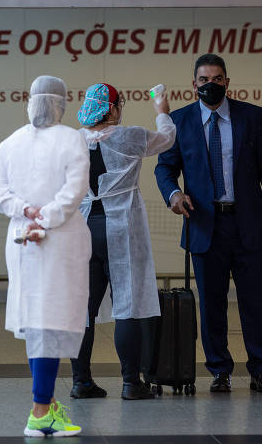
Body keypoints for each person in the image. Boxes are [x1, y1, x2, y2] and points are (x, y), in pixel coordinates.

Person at [155, 54, 262, 394]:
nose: (209, 84)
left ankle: (261, 369)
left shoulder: (251, 116)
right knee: (211, 304)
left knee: (254, 301)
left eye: (216, 78)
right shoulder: (180, 121)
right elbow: (164, 168)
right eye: (203, 79)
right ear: (194, 85)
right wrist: (173, 195)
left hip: (249, 225)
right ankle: (219, 370)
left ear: (227, 81)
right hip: (203, 224)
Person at [0, 75, 90, 437]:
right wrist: (43, 221)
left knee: (36, 322)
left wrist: (27, 212)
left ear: (29, 101)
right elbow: (74, 192)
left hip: (22, 241)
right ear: (63, 102)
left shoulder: (10, 142)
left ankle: (42, 404)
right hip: (56, 241)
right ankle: (41, 411)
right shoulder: (72, 139)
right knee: (49, 324)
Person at [70, 82, 176, 400]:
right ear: (113, 109)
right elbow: (168, 140)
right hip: (121, 229)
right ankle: (131, 382)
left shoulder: (74, 140)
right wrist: (162, 111)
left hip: (85, 227)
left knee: (83, 310)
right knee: (127, 306)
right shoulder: (129, 135)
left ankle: (81, 382)